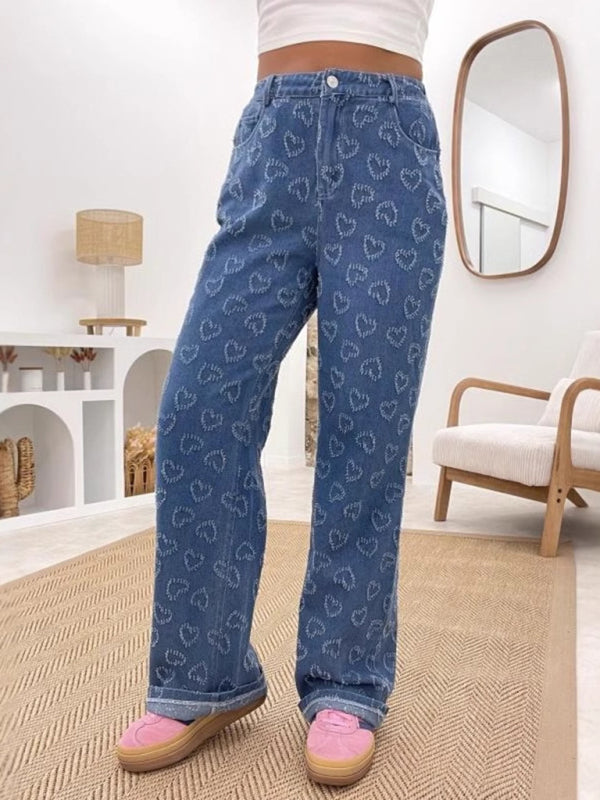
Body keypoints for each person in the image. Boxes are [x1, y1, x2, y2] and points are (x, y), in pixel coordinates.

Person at [116, 0, 446, 787]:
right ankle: (204, 676)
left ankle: (345, 681)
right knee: (198, 412)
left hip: (391, 146)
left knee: (365, 430)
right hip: (273, 139)